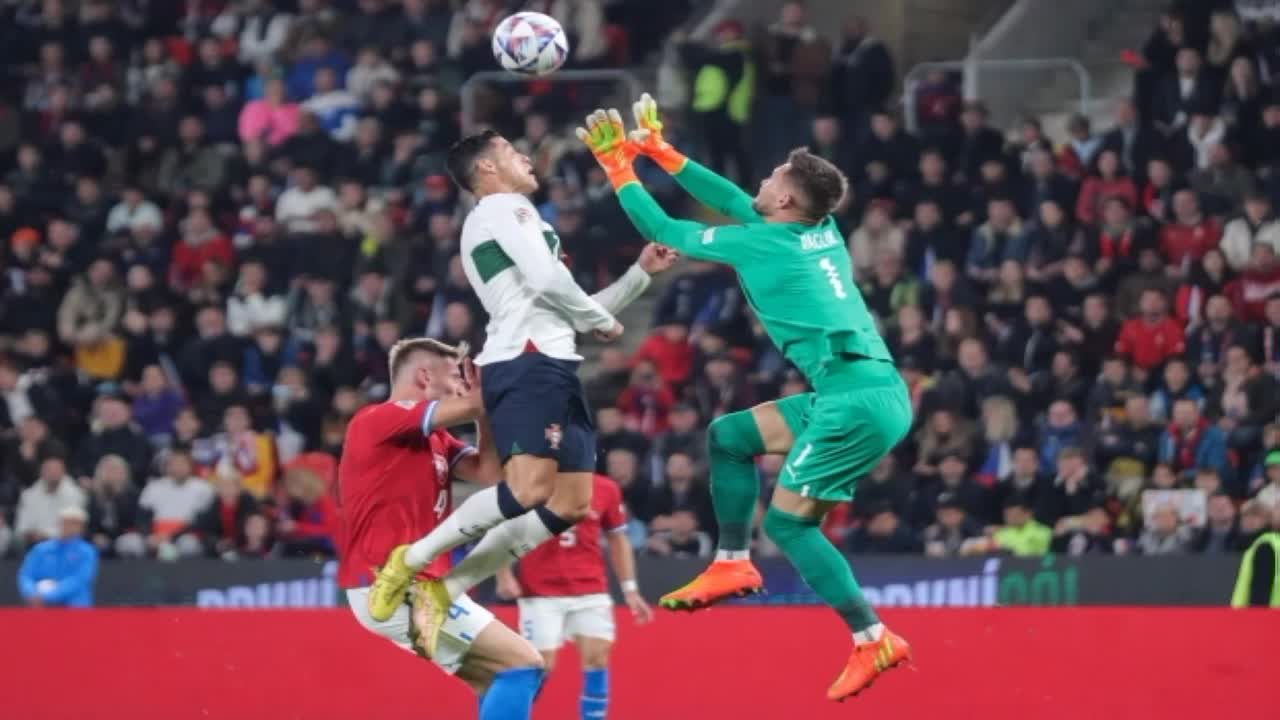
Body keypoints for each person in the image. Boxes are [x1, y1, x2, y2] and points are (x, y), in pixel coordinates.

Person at [576, 94, 914, 701]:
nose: (758, 183)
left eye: (771, 179)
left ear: (784, 200)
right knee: (728, 438)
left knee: (788, 525)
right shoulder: (818, 228)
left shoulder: (766, 245)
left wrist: (619, 168)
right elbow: (734, 201)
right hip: (860, 389)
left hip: (854, 402)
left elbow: (666, 232)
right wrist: (662, 152)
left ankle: (872, 637)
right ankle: (732, 560)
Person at [366, 126, 676, 654]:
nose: (526, 157)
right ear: (487, 169)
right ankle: (411, 561)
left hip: (552, 358)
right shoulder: (502, 208)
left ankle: (446, 590)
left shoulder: (512, 219)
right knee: (530, 490)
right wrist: (598, 317)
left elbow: (565, 306)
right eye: (510, 151)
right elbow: (552, 284)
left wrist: (638, 275)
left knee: (574, 502)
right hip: (526, 361)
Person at [338, 337, 546, 719]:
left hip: (423, 587)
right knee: (523, 666)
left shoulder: (436, 437)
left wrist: (483, 416)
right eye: (455, 375)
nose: (460, 384)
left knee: (500, 677)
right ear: (423, 376)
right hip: (393, 583)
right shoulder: (379, 418)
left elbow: (489, 474)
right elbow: (472, 402)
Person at [495, 474, 653, 720]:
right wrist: (503, 574)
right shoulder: (530, 481)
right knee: (538, 667)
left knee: (597, 659)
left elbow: (617, 538)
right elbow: (503, 530)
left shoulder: (605, 488)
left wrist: (630, 589)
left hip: (590, 589)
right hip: (540, 591)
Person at [17, 505, 98, 608]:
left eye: (73, 523)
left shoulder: (86, 552)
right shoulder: (41, 549)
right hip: (41, 606)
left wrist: (49, 595)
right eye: (64, 522)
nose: (67, 526)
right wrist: (31, 592)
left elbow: (79, 579)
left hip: (74, 607)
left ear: (81, 527)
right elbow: (26, 575)